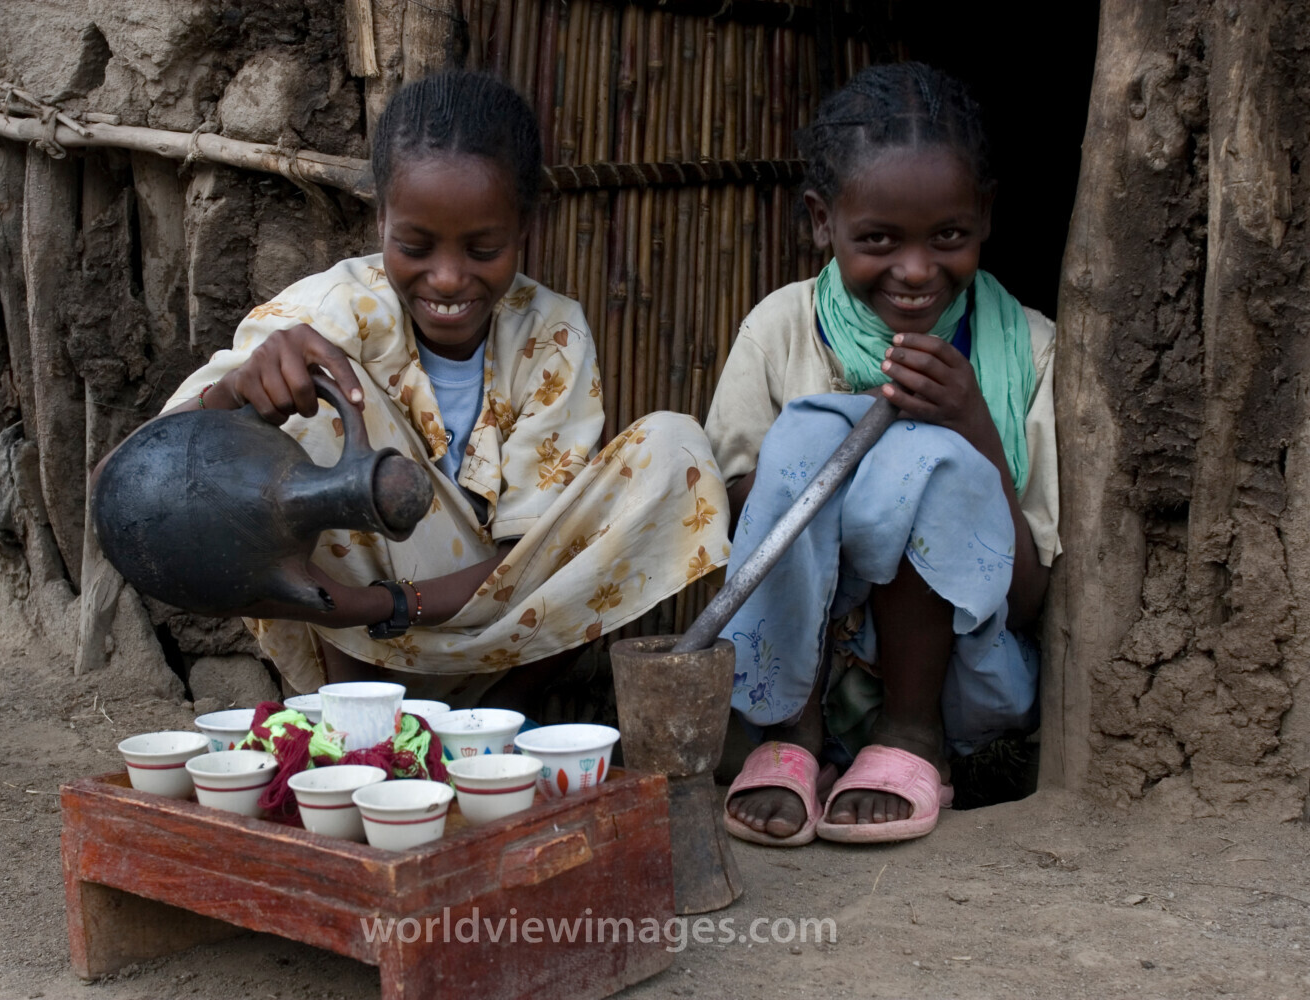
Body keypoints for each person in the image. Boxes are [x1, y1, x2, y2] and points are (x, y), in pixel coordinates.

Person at [151, 71, 729, 709]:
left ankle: (493, 727)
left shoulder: (552, 333)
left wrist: (385, 604)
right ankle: (358, 720)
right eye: (415, 246)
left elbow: (532, 560)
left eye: (483, 249)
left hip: (499, 637)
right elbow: (126, 481)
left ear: (524, 227)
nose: (448, 278)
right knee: (314, 407)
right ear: (380, 219)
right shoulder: (327, 312)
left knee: (675, 449)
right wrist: (235, 392)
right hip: (350, 637)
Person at [705, 63, 1059, 846]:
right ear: (820, 221)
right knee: (810, 434)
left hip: (962, 676)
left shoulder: (1029, 351)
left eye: (949, 236)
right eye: (878, 239)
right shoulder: (782, 330)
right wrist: (855, 466)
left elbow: (1032, 596)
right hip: (803, 661)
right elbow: (735, 529)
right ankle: (792, 736)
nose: (916, 269)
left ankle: (911, 736)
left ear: (986, 215)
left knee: (926, 458)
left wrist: (970, 426)